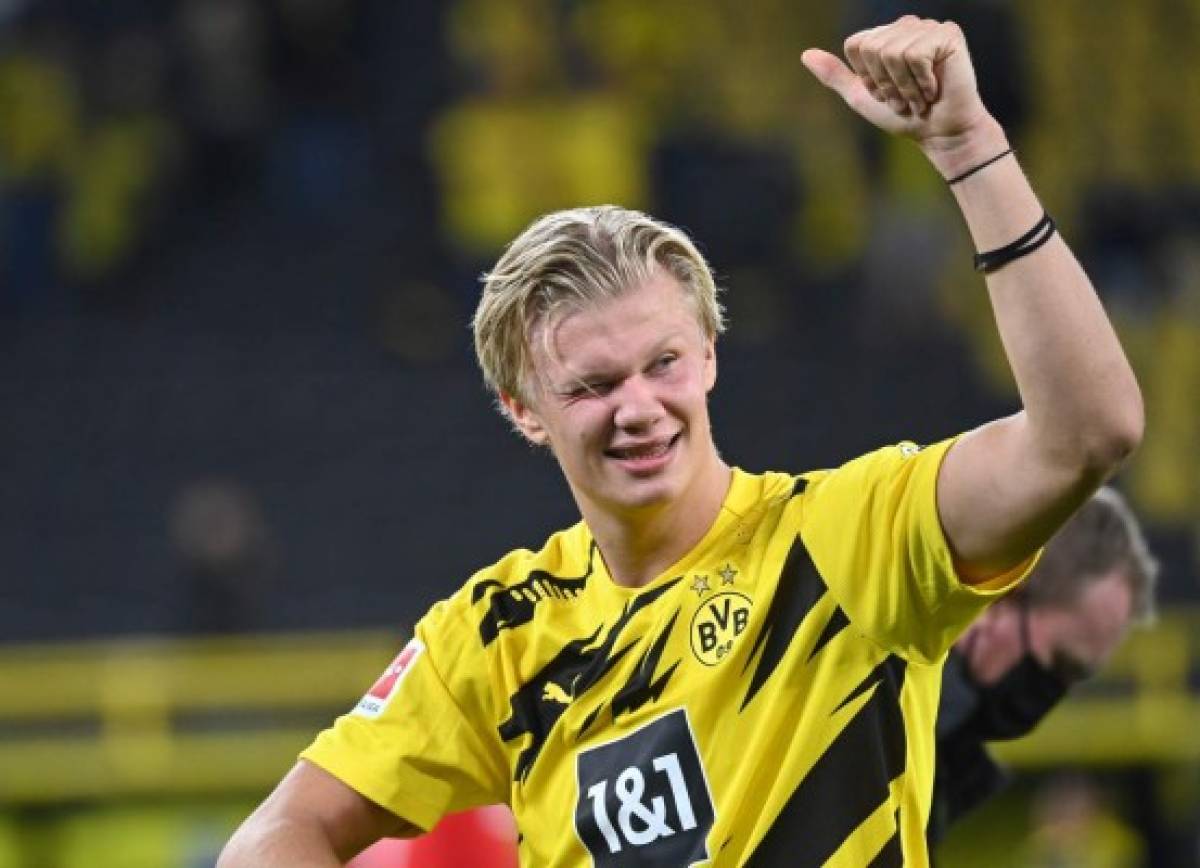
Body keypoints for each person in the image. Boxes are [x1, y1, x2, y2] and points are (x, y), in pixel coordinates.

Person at [218, 15, 1143, 867]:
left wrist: (970, 148)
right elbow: (275, 836)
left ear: (708, 356)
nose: (639, 407)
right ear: (522, 409)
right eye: (591, 385)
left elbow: (1087, 434)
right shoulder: (499, 633)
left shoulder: (847, 539)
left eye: (662, 363)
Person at [930, 486, 1158, 845]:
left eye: (1079, 675)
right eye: (1064, 664)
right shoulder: (875, 721)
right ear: (1002, 599)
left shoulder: (940, 764)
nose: (1056, 690)